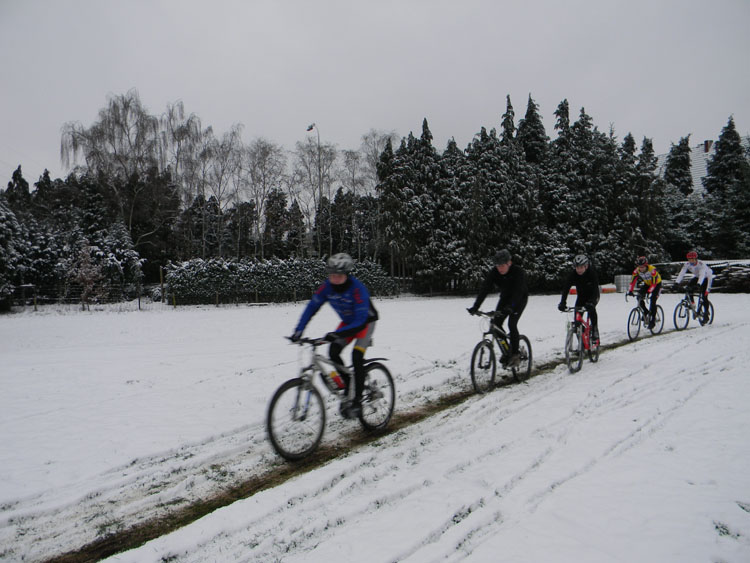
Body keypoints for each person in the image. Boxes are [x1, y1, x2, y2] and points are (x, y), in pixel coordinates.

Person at [290, 253, 379, 419]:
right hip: (348, 322)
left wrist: (336, 334)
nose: (335, 279)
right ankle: (349, 386)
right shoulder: (326, 288)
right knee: (333, 352)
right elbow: (312, 307)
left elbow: (360, 321)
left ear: (347, 274)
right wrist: (299, 330)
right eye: (331, 275)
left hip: (365, 322)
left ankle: (357, 401)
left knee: (357, 356)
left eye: (339, 276)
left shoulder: (358, 289)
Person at [467, 249, 529, 367]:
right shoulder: (494, 272)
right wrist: (475, 306)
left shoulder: (518, 272)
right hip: (505, 298)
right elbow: (485, 289)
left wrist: (511, 307)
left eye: (502, 265)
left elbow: (518, 291)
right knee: (496, 323)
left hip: (520, 299)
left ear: (509, 263)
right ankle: (507, 351)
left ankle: (515, 354)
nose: (499, 268)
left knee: (512, 324)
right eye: (497, 265)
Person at [557, 254, 600, 341]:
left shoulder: (591, 274)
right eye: (577, 267)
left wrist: (592, 302)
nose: (579, 270)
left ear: (586, 266)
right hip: (581, 297)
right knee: (577, 318)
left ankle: (595, 329)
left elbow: (595, 289)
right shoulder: (573, 275)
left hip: (593, 295)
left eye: (581, 267)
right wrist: (563, 302)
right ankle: (582, 342)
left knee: (591, 310)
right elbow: (566, 288)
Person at [675, 250, 713, 322]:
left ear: (696, 259)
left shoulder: (701, 264)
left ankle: (706, 313)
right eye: (689, 259)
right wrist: (676, 283)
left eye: (692, 259)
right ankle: (693, 304)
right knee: (689, 288)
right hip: (697, 277)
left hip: (707, 277)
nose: (691, 261)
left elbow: (702, 275)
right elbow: (681, 273)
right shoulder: (687, 264)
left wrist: (698, 284)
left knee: (704, 296)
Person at [627, 256, 662, 329]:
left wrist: (649, 291)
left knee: (653, 300)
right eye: (640, 267)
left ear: (646, 265)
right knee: (639, 297)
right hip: (647, 284)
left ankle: (653, 320)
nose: (641, 269)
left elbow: (654, 283)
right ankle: (645, 311)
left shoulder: (652, 270)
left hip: (656, 285)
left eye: (643, 267)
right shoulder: (637, 271)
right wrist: (630, 290)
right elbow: (632, 281)